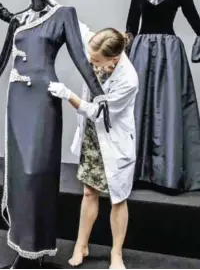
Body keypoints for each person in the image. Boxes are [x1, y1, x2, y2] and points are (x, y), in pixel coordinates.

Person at [47, 28, 139, 269]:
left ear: (114, 60)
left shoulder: (128, 80)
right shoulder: (96, 45)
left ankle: (116, 254)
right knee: (89, 192)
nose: (90, 62)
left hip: (115, 141)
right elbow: (75, 22)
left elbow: (99, 113)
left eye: (95, 61)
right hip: (92, 137)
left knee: (118, 198)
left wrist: (68, 95)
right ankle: (81, 245)